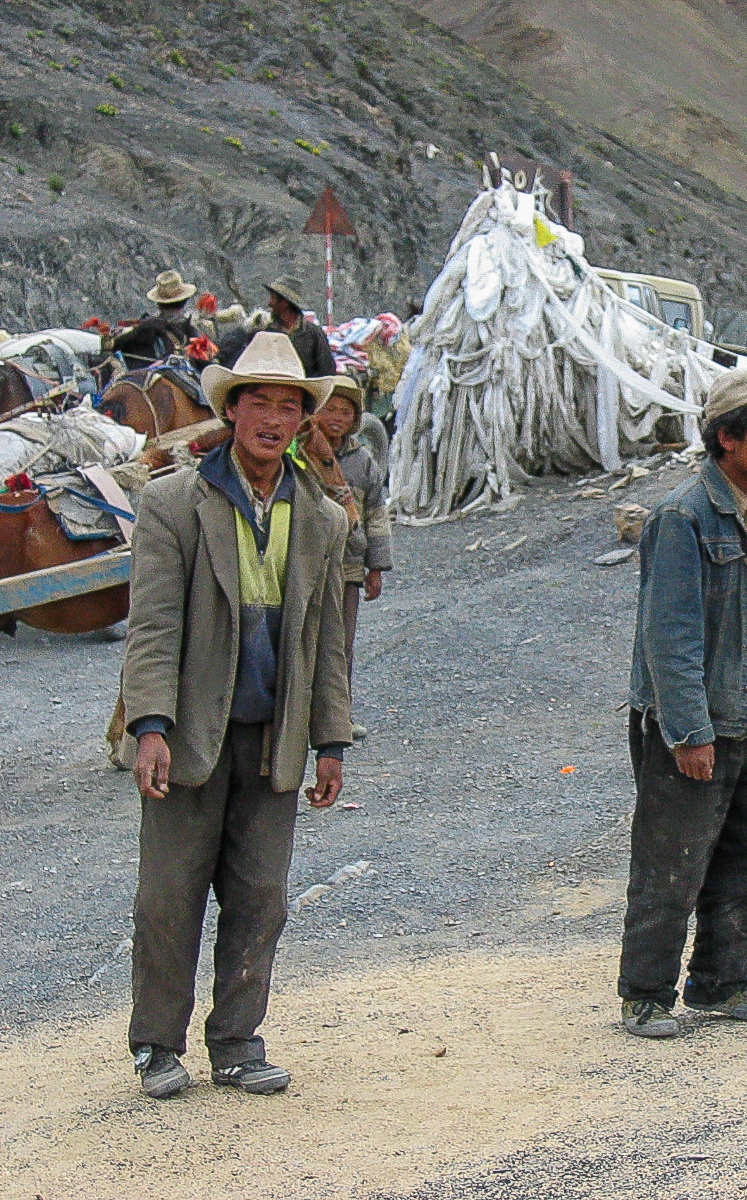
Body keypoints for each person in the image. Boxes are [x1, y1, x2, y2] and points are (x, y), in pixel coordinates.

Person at [115, 331, 352, 1098]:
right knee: (168, 896)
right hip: (191, 736)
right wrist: (150, 725)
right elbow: (152, 627)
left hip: (271, 739)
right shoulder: (172, 504)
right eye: (260, 402)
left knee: (261, 897)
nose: (274, 419)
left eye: (290, 406)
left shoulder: (321, 518)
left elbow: (327, 641)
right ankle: (156, 1045)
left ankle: (238, 1042)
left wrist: (331, 740)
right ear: (231, 409)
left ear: (302, 421)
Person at [617, 367, 747, 1038]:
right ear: (727, 438)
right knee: (673, 858)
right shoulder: (683, 517)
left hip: (744, 716)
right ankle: (645, 995)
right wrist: (687, 731)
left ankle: (719, 981)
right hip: (690, 725)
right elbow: (667, 636)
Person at [313, 376, 393, 740]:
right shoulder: (299, 455)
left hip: (347, 567)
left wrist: (375, 565)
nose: (337, 417)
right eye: (330, 408)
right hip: (307, 566)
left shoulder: (363, 461)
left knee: (340, 646)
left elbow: (376, 513)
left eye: (346, 412)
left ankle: (337, 718)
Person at [112, 270, 201, 368]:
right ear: (184, 302)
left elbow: (115, 345)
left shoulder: (146, 327)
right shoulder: (191, 331)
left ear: (159, 304)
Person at [265, 276, 336, 378]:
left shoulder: (313, 334)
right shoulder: (269, 332)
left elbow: (327, 372)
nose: (269, 303)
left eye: (273, 298)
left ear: (284, 303)